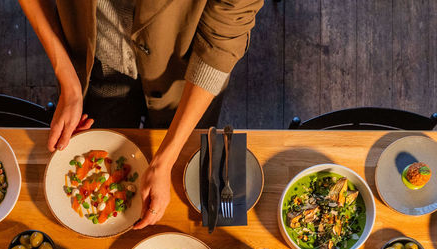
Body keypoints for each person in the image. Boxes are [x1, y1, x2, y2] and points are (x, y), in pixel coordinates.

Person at [19, 0, 264, 228]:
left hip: (187, 74)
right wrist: (69, 81)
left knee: (201, 179)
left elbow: (226, 34)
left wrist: (164, 161)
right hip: (97, 57)